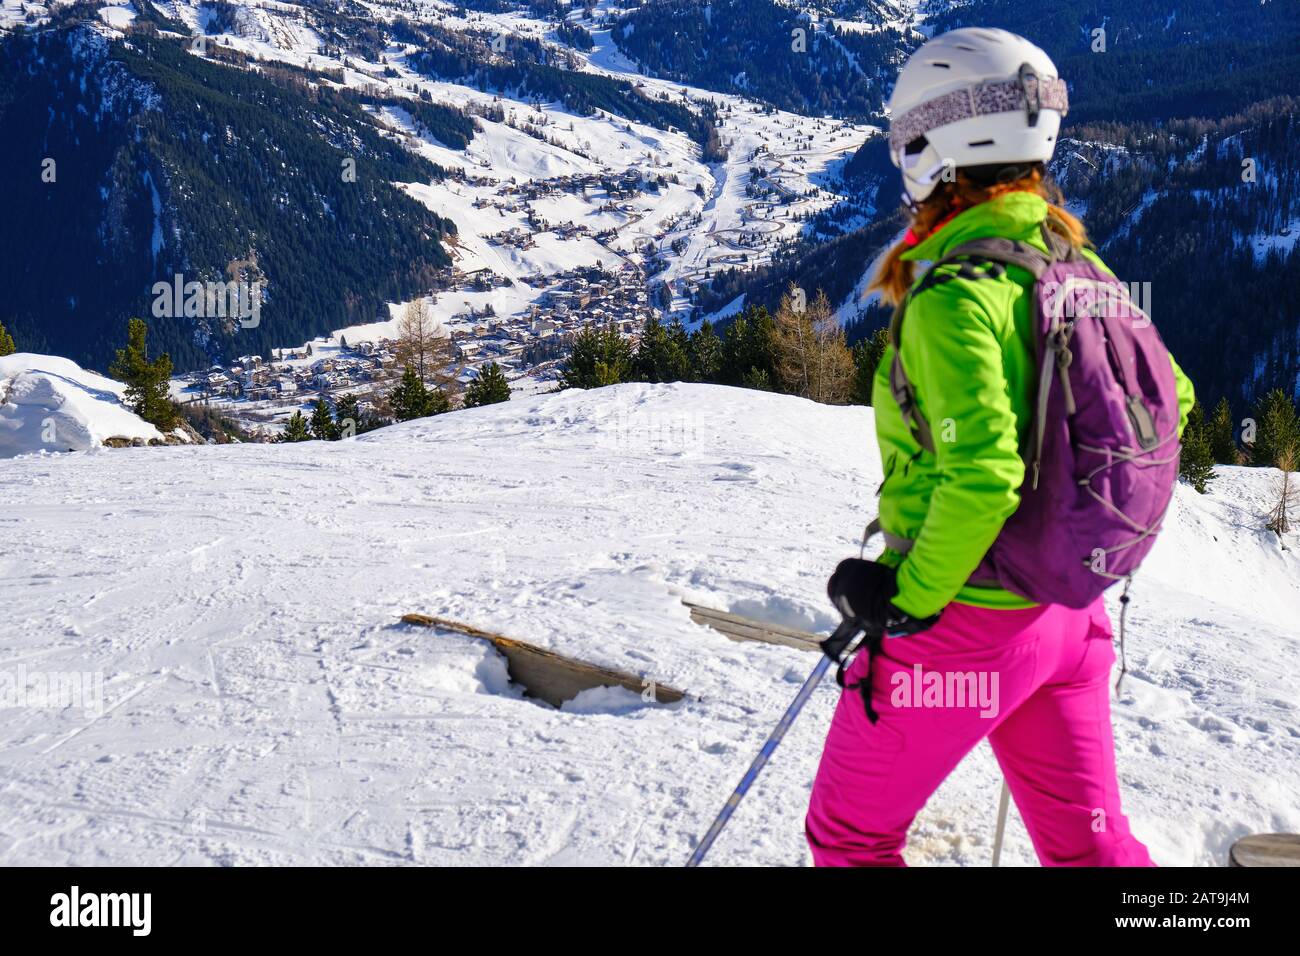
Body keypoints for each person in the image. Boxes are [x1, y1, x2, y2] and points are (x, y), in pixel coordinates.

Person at [804, 27, 1196, 867]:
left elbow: (981, 476)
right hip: (1069, 621)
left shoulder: (954, 296)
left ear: (931, 146)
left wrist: (906, 597)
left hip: (969, 625)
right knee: (1090, 852)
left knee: (850, 838)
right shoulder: (1072, 263)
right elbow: (1176, 400)